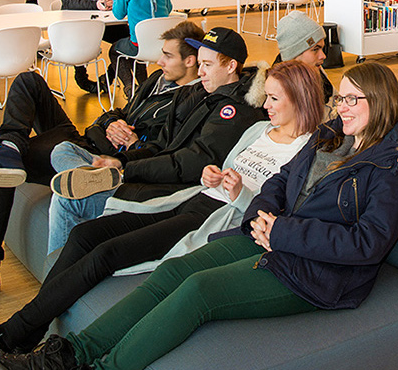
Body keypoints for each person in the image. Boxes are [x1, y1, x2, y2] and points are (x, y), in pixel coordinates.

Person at [0, 62, 398, 370]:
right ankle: (58, 362)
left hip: (315, 274)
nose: (341, 107)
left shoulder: (396, 165)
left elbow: (367, 243)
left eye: (352, 99)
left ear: (380, 102)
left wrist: (284, 232)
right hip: (270, 238)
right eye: (340, 98)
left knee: (198, 291)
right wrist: (265, 216)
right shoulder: (332, 134)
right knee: (175, 271)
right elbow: (278, 180)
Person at [0, 59, 328, 370]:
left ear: (300, 98)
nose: (264, 105)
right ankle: (24, 336)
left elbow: (277, 212)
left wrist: (240, 194)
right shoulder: (257, 131)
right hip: (194, 198)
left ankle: (9, 338)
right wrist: (213, 175)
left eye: (274, 99)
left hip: (216, 219)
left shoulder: (310, 149)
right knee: (85, 235)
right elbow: (224, 167)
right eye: (266, 96)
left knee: (107, 253)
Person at [0, 20, 205, 313]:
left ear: (190, 61)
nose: (159, 61)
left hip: (107, 159)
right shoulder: (156, 80)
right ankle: (11, 149)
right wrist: (112, 122)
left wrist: (132, 143)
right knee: (27, 83)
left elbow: (164, 151)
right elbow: (116, 111)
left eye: (167, 55)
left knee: (3, 168)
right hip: (87, 142)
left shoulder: (193, 100)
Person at [44, 27, 268, 248]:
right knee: (63, 150)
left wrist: (128, 170)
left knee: (66, 201)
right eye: (200, 64)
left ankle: (92, 184)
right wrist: (121, 161)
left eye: (207, 65)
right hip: (152, 171)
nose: (200, 72)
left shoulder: (234, 111)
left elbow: (190, 162)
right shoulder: (199, 94)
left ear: (230, 66)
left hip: (171, 189)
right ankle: (92, 180)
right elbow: (161, 144)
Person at [107, 0, 172, 91]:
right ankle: (144, 88)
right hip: (162, 43)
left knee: (115, 50)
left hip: (140, 44)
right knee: (133, 50)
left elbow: (118, 14)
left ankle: (130, 88)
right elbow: (168, 7)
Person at [274, 10, 333, 98]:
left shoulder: (320, 76)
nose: (323, 56)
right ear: (294, 55)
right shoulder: (278, 93)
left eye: (322, 48)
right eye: (315, 49)